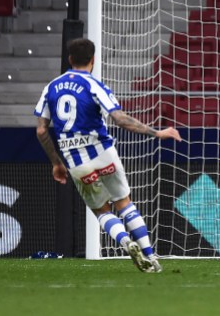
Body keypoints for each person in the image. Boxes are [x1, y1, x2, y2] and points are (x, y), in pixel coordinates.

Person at [34, 38, 182, 273]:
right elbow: (120, 119)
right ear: (93, 60)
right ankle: (151, 257)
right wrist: (157, 132)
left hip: (76, 161)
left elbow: (41, 129)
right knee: (124, 203)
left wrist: (56, 163)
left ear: (70, 60)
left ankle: (125, 242)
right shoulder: (94, 85)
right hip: (103, 153)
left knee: (102, 211)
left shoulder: (51, 87)